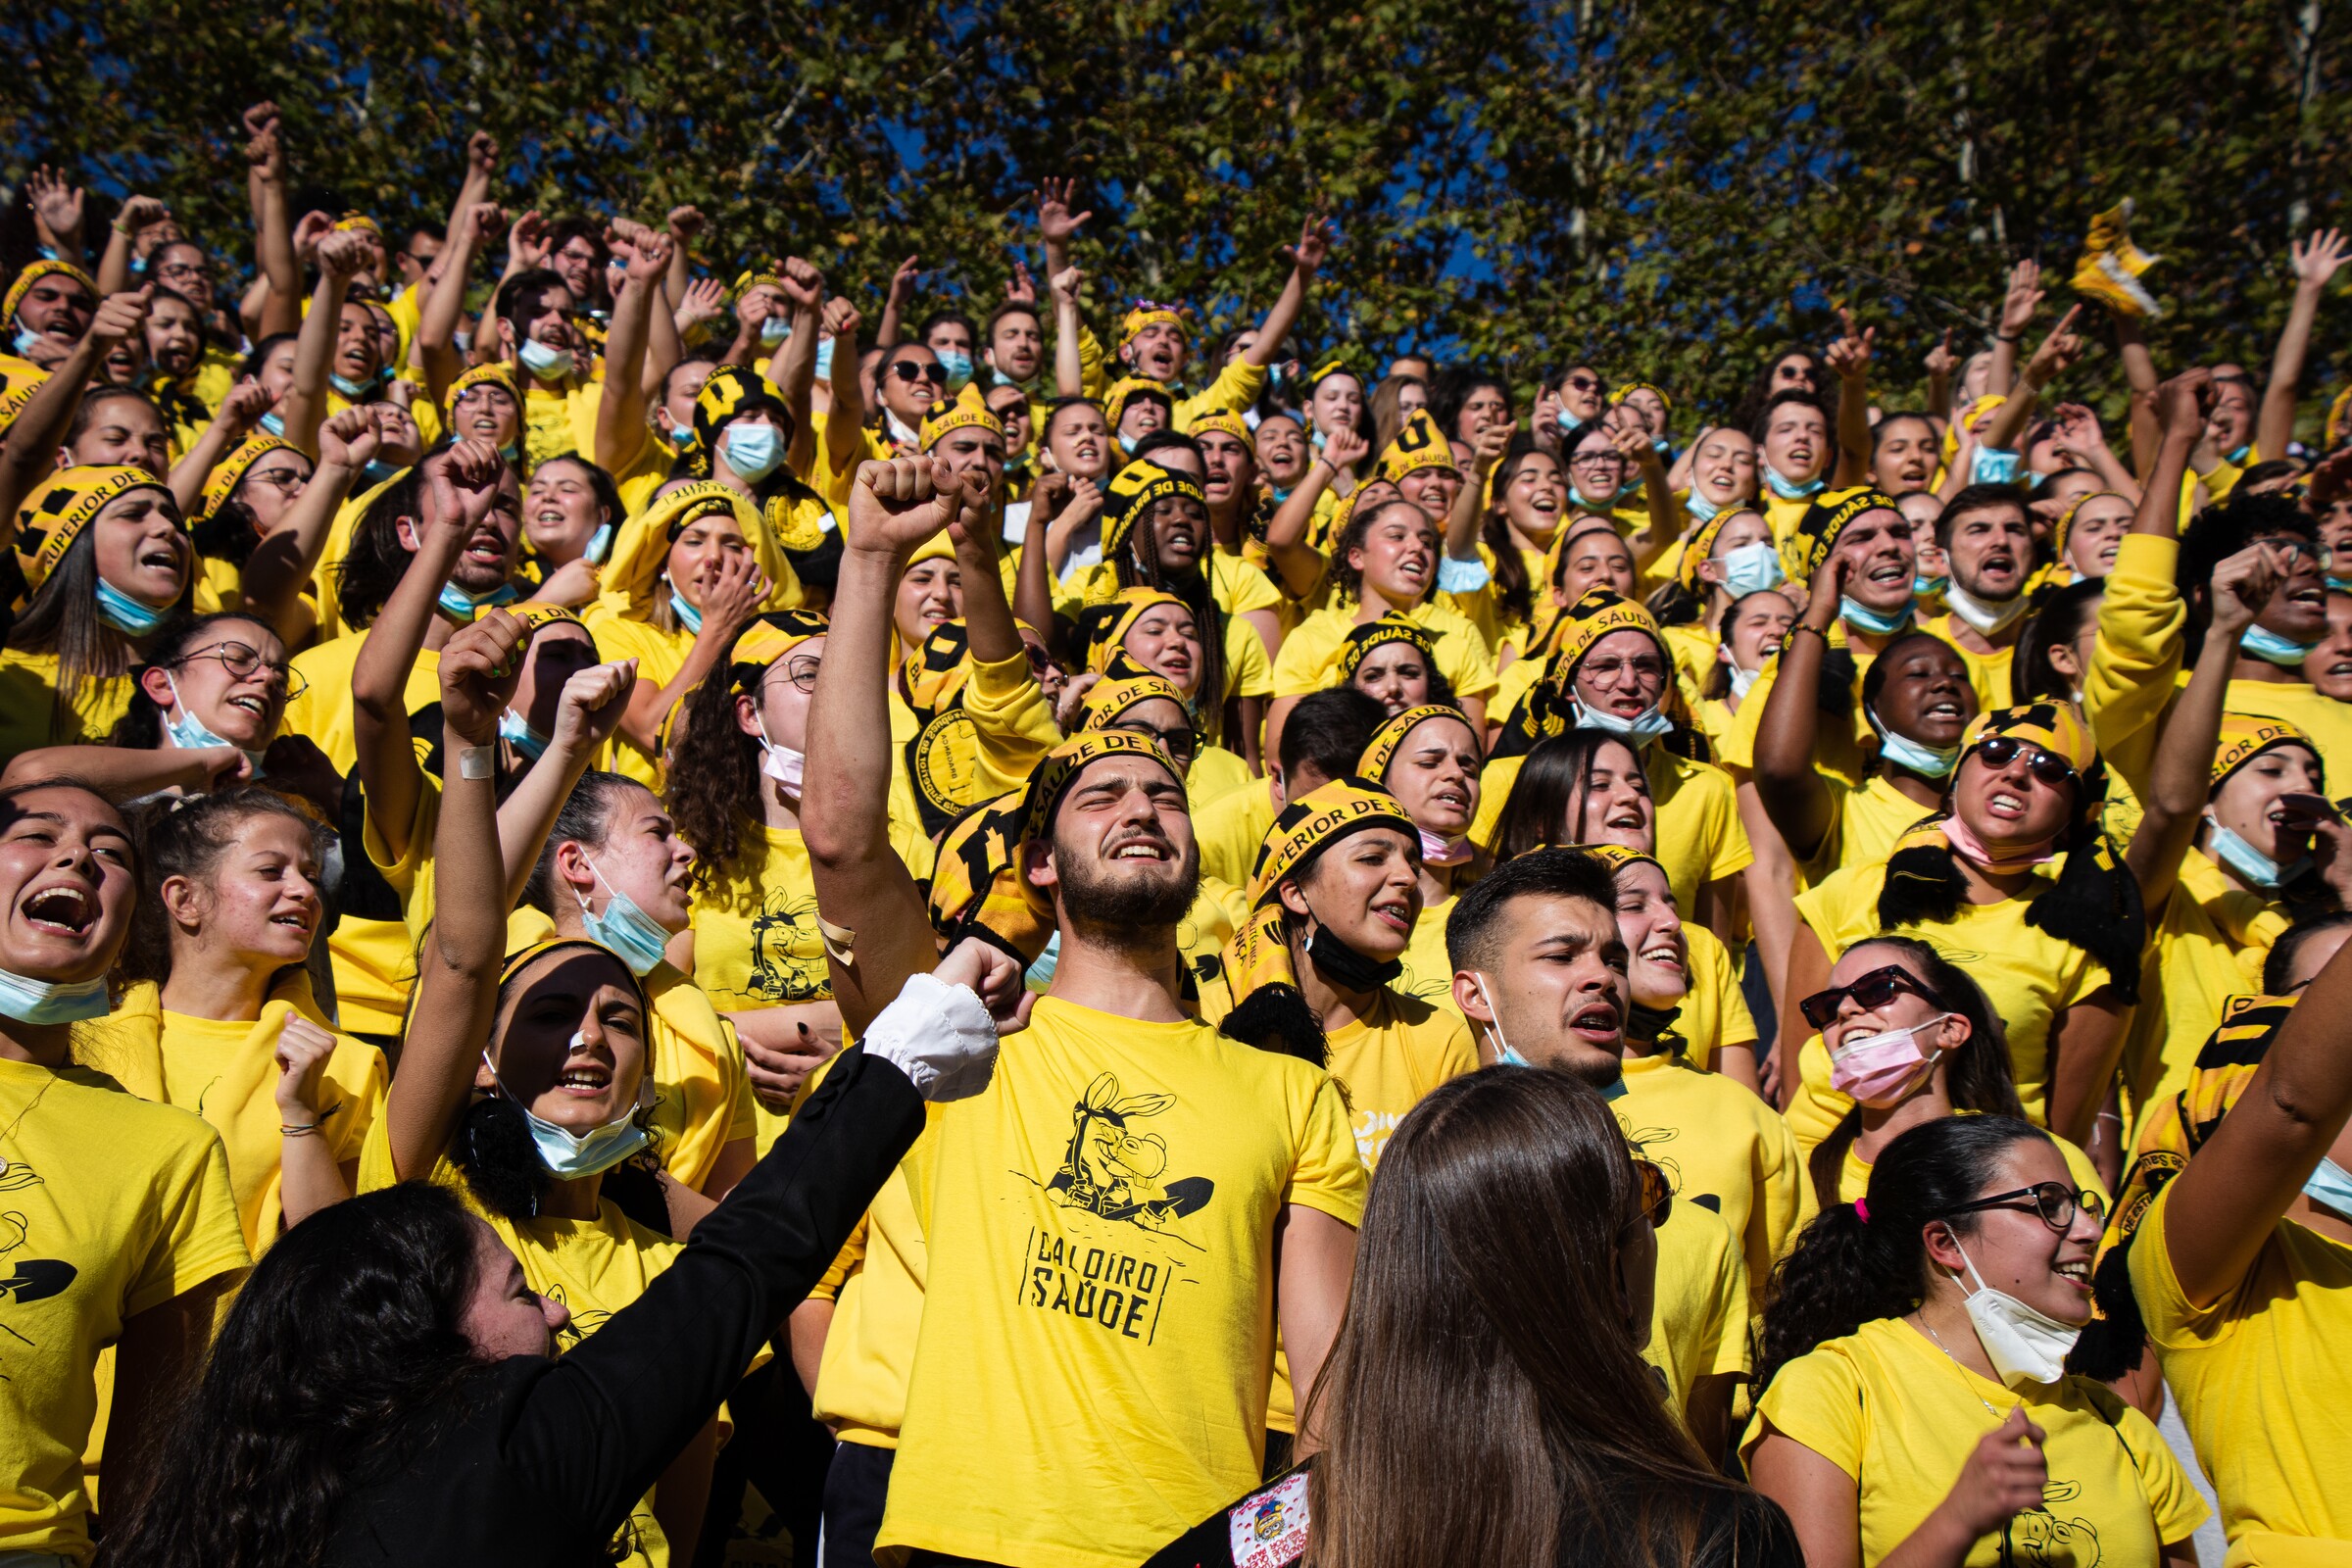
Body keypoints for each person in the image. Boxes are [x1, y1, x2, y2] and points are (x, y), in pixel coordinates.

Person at [802, 450, 1367, 1568]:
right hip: (951, 1548)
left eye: (1165, 792)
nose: (1142, 807)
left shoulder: (1290, 1090)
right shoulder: (958, 1043)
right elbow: (840, 835)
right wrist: (868, 561)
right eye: (1102, 794)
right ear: (1041, 868)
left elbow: (1336, 1404)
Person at [97, 923, 1015, 1568]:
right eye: (512, 1291)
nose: (557, 1309)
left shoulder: (661, 1260)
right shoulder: (428, 1206)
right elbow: (459, 958)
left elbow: (683, 1499)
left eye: (622, 1021)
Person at [1152, 1069, 1800, 1568]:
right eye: (1644, 1196)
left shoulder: (1308, 1517)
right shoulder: (1718, 1538)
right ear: (1605, 1265)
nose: (1657, 1223)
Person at [1746, 1116, 2205, 1568]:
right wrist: (1956, 1522)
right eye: (2049, 1203)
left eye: (2084, 1206)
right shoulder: (1832, 1391)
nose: (2089, 1229)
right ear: (1945, 1242)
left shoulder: (2119, 1421)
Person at [1440, 847, 1768, 1464]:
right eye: (1561, 956)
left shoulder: (1700, 1235)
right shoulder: (1422, 1188)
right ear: (1475, 994)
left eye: (1613, 958)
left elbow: (1696, 1467)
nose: (1603, 978)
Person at [0, 779, 249, 1562]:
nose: (77, 855)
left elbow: (149, 1473)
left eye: (112, 855)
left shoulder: (167, 1151)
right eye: (37, 835)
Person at [1777, 706, 2140, 1156]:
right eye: (1995, 751)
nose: (2016, 774)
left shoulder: (2087, 941)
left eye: (2049, 769)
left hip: (1977, 1182)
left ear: (2075, 814)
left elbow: (2063, 1129)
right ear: (1956, 779)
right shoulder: (1851, 891)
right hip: (1826, 1164)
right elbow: (1801, 1074)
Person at [93, 787, 384, 1253]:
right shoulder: (86, 1038)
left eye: (311, 875)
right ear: (185, 899)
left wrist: (302, 1116)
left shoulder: (346, 1065)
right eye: (271, 871)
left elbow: (334, 1258)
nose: (305, 890)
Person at [1792, 935, 2107, 1211]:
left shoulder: (2045, 1157)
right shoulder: (1793, 1164)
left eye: (1877, 988)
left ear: (1950, 1030)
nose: (1846, 1009)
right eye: (1829, 1005)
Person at [0, 465, 194, 762]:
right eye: (132, 514)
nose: (168, 528)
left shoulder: (221, 672)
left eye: (173, 519)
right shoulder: (8, 674)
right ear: (65, 548)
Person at [1355, 703, 1485, 1007]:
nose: (1455, 774)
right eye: (1430, 763)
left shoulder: (1495, 918)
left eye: (1469, 768)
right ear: (1378, 782)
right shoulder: (1336, 908)